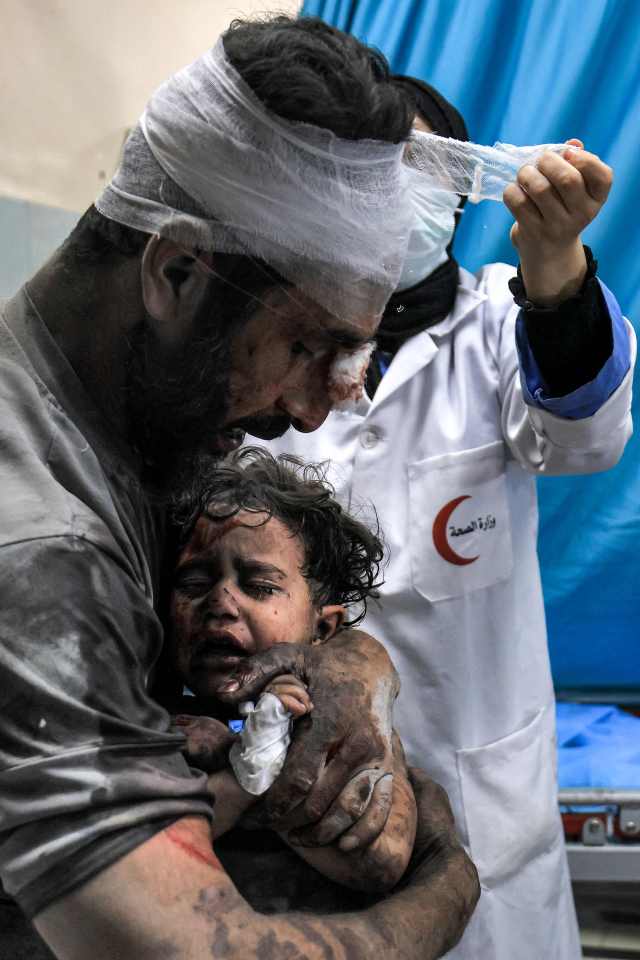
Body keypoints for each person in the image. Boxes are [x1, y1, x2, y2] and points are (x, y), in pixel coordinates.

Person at [0, 20, 479, 960]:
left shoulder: (117, 429)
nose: (311, 413)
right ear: (175, 272)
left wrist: (344, 667)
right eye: (308, 346)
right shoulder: (41, 543)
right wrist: (455, 881)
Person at [257, 75, 635, 959]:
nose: (391, 192)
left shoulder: (506, 318)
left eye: (418, 163)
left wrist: (557, 268)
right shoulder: (276, 343)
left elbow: (584, 436)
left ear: (461, 186)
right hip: (317, 797)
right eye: (365, 169)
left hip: (481, 791)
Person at [166, 446, 419, 900]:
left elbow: (379, 859)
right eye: (194, 584)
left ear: (322, 628)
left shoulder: (346, 722)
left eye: (260, 587)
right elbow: (142, 862)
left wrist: (251, 760)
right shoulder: (153, 719)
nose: (221, 605)